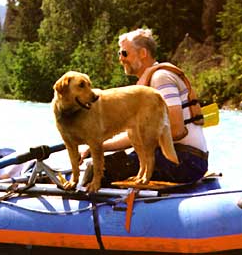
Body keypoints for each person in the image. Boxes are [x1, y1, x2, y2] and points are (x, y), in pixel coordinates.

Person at [82, 28, 208, 186]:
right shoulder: (145, 88)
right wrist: (99, 146)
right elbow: (139, 134)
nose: (121, 59)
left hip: (187, 160)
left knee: (98, 169)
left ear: (143, 53)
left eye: (124, 53)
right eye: (119, 54)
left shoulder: (160, 79)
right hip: (182, 157)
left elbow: (175, 129)